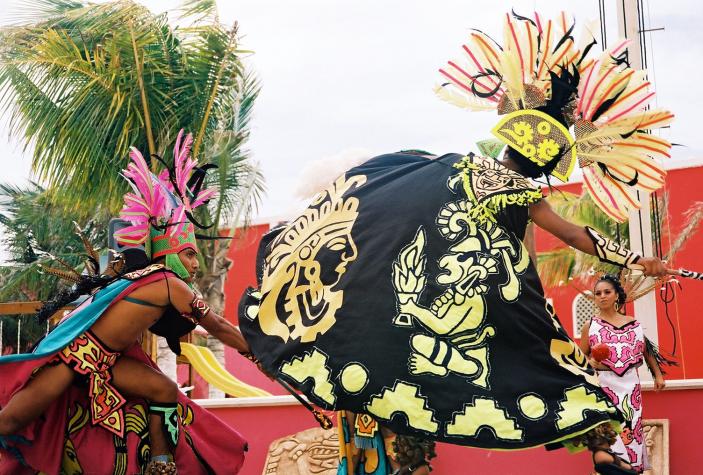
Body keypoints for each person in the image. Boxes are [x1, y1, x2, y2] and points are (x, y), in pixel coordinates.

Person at [238, 11, 673, 475]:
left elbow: (398, 186)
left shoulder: (456, 166)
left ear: (508, 142)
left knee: (406, 366)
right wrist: (636, 259)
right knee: (557, 360)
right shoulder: (525, 193)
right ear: (545, 164)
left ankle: (414, 462)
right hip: (496, 294)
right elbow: (573, 235)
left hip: (432, 285)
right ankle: (601, 448)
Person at [0, 131, 251, 474]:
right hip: (72, 360)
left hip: (107, 363)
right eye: (189, 254)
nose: (196, 264)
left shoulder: (153, 280)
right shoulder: (166, 282)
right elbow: (217, 326)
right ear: (168, 251)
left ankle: (161, 466)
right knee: (10, 423)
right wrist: (254, 349)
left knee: (163, 389)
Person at [579, 275, 667, 473]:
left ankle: (631, 469)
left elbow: (647, 351)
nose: (602, 296)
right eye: (598, 293)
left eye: (607, 292)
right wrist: (590, 362)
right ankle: (613, 466)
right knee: (610, 431)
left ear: (616, 295)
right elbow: (579, 357)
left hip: (630, 385)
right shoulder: (590, 326)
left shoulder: (633, 324)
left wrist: (658, 375)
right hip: (603, 385)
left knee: (632, 429)